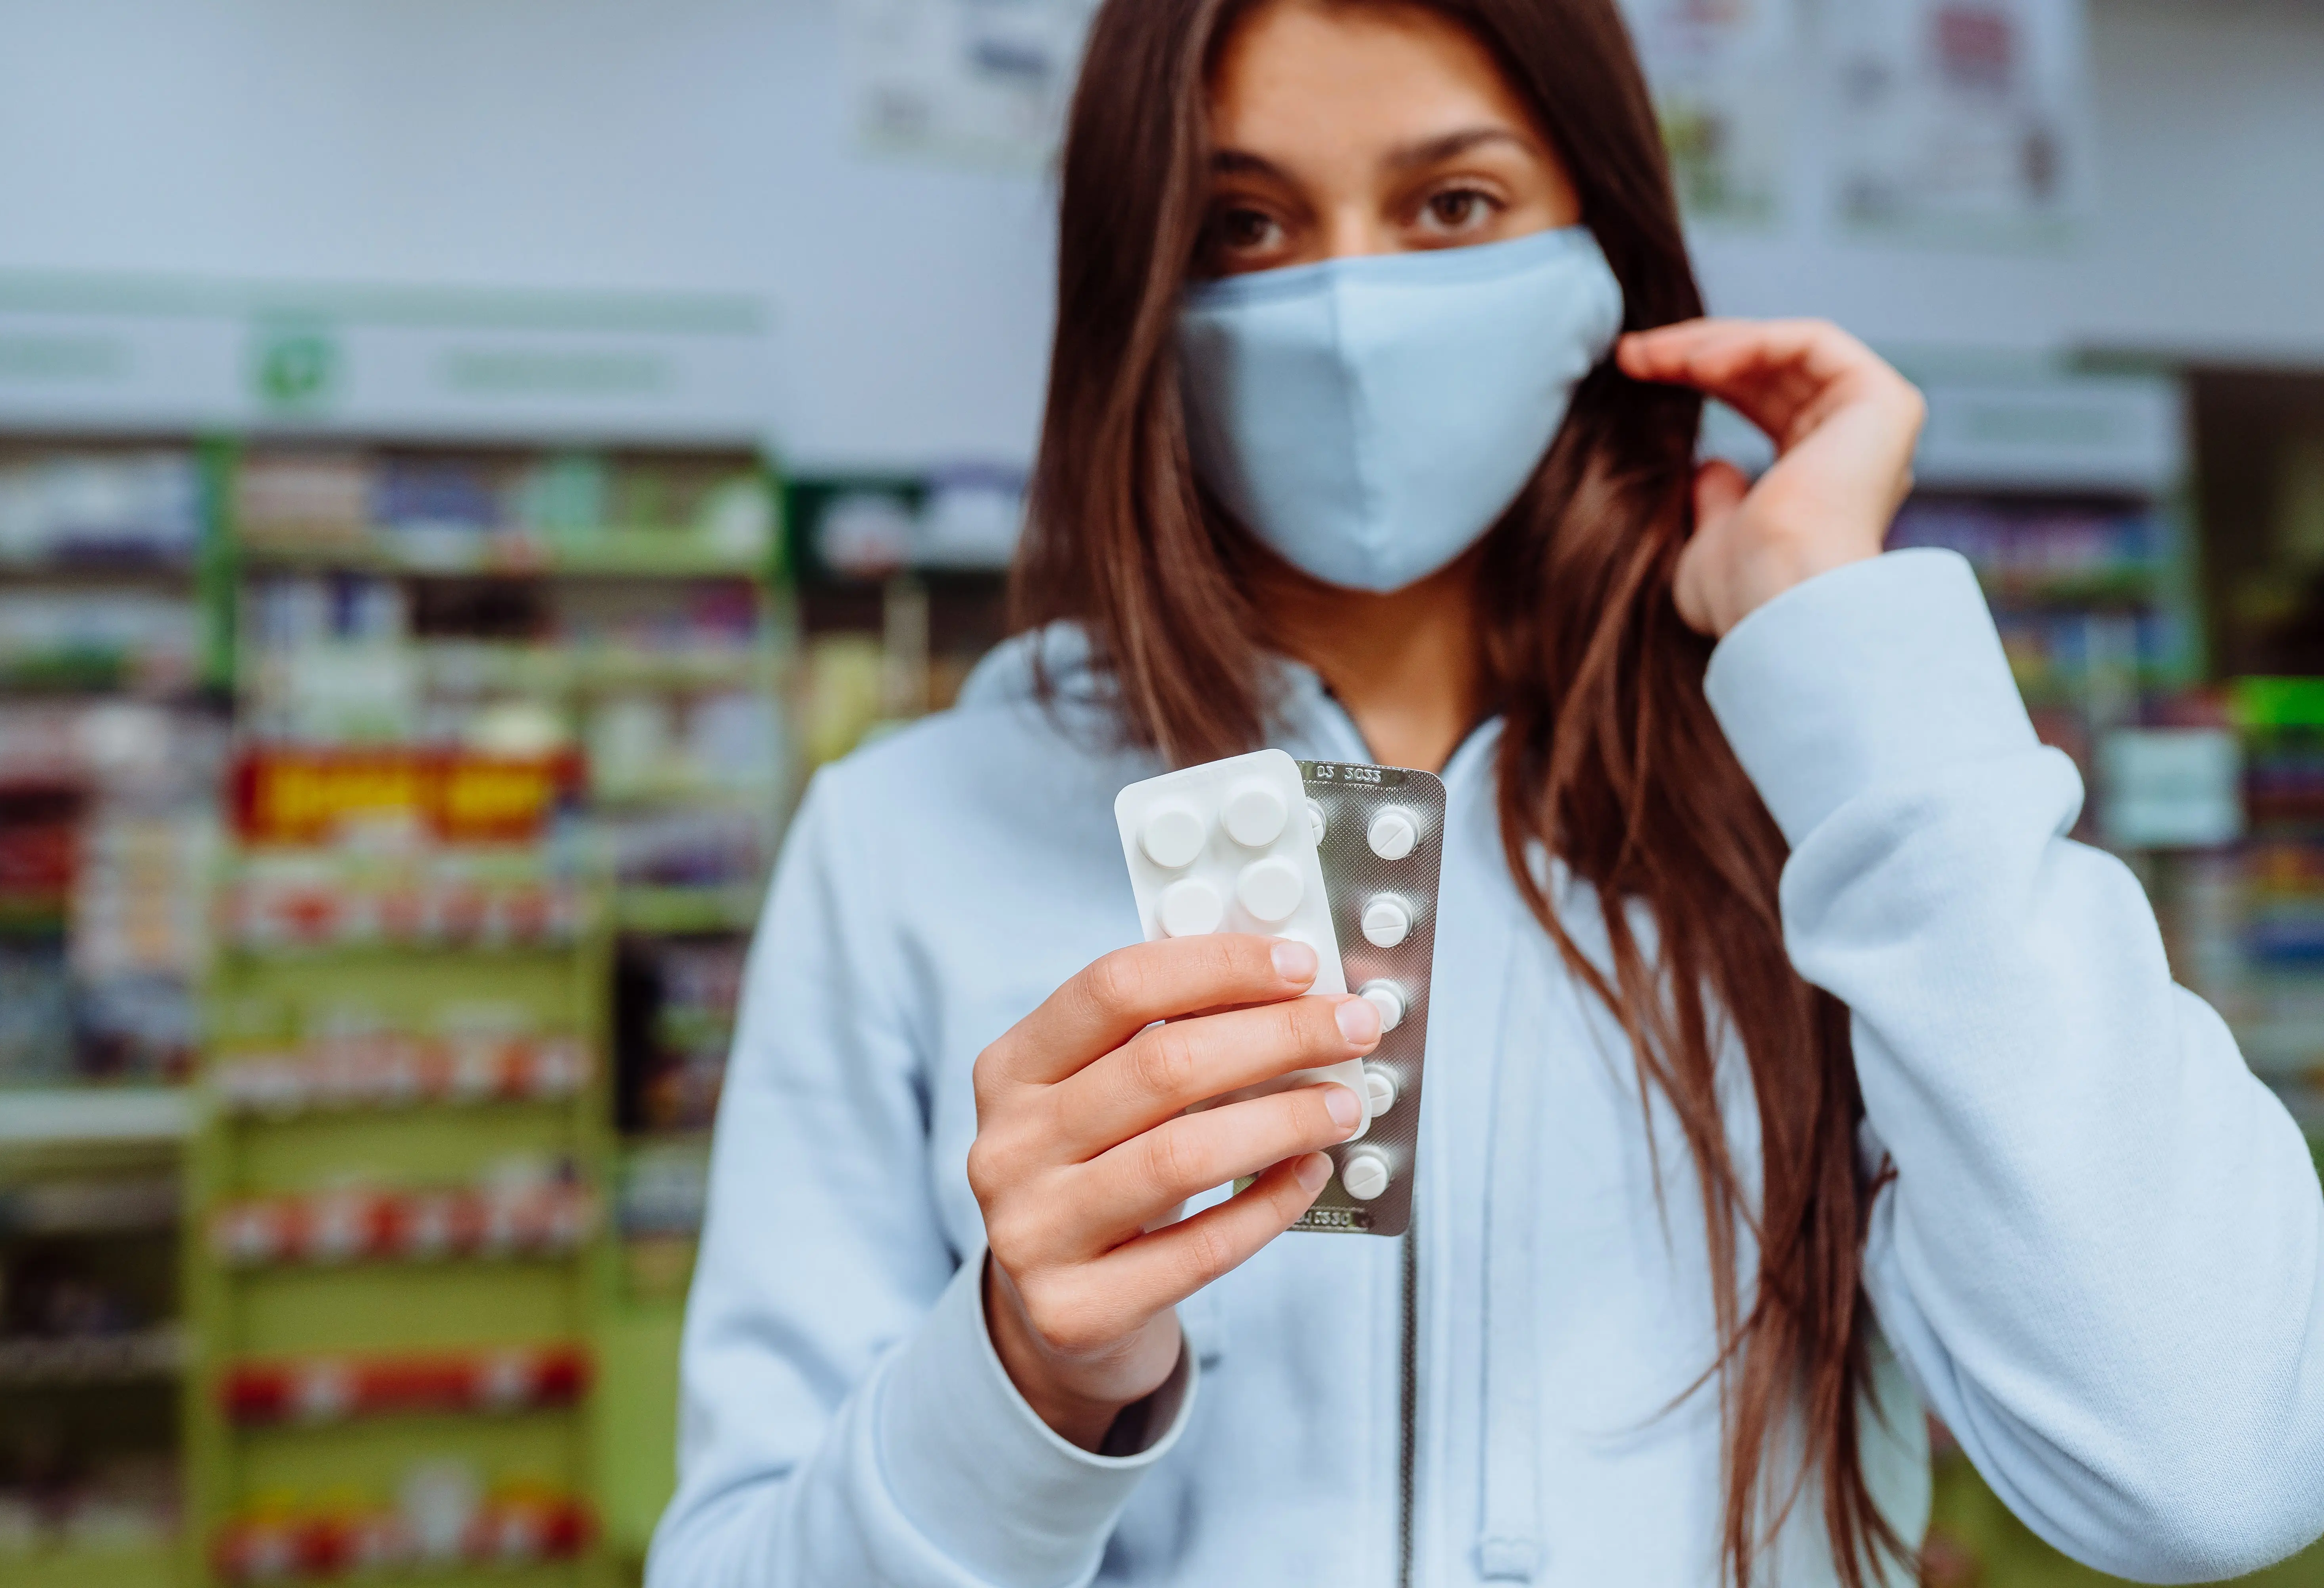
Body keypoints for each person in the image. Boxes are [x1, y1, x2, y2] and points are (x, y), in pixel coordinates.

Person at [647, 1, 2324, 1584]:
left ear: (1604, 255)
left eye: (1453, 203)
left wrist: (1850, 656)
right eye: (1244, 224)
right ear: (1136, 283)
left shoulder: (1816, 797)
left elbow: (2214, 1459)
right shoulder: (905, 838)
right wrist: (1024, 1381)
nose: (1350, 310)